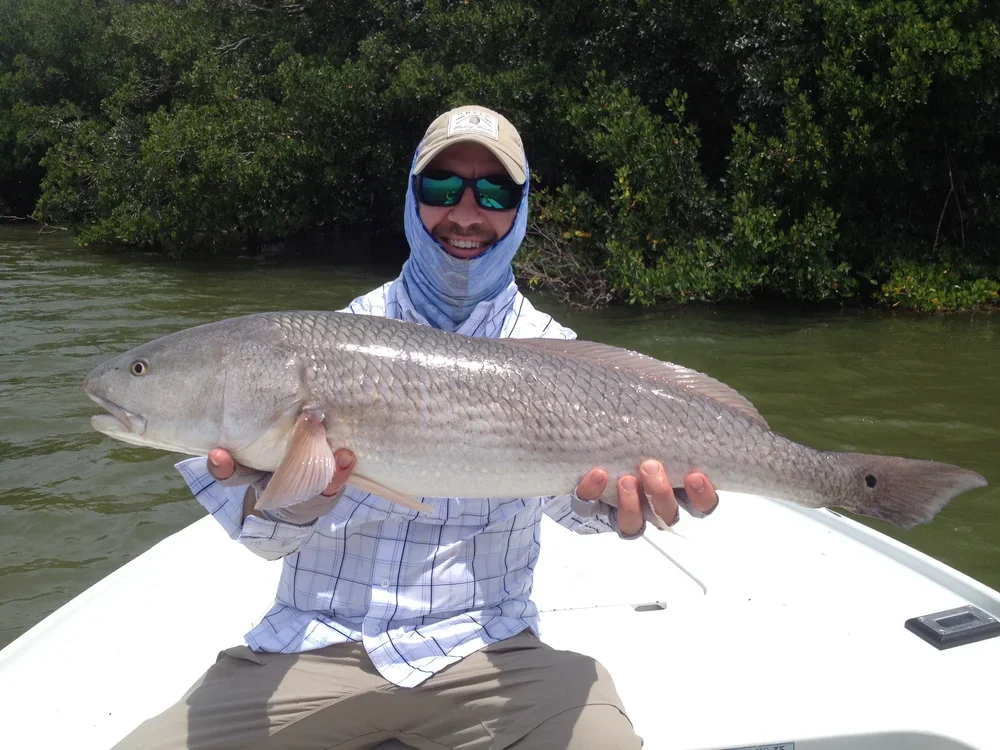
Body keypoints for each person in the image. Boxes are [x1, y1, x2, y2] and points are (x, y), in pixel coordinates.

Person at [115, 105, 720, 750]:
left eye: (493, 192)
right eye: (441, 187)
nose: (465, 213)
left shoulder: (554, 350)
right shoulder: (332, 334)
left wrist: (618, 506)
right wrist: (293, 507)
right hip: (316, 645)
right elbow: (266, 544)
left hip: (491, 652)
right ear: (411, 197)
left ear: (520, 209)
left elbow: (570, 507)